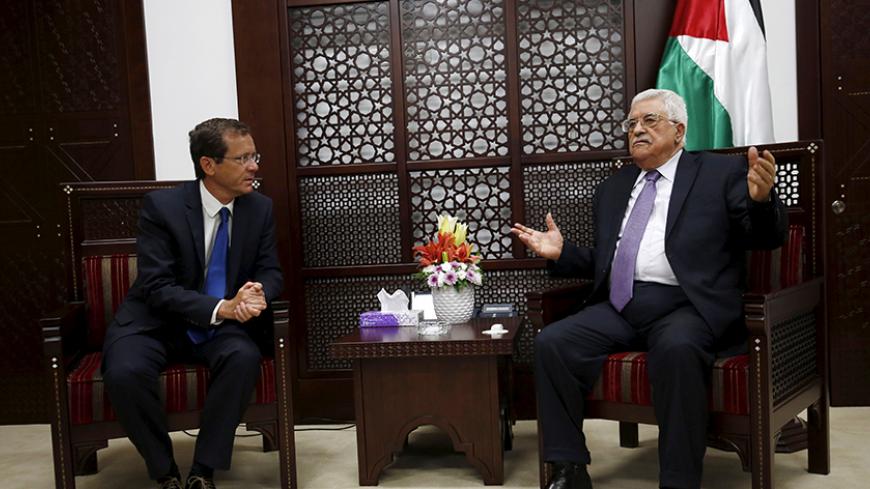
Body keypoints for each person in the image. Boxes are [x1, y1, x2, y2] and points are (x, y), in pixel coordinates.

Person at [512, 89, 786, 489]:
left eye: (649, 121)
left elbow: (763, 238)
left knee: (676, 349)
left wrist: (762, 202)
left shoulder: (718, 174)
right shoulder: (613, 188)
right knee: (554, 342)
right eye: (631, 124)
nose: (636, 129)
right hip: (623, 303)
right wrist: (563, 253)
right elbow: (609, 263)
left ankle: (678, 480)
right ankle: (568, 467)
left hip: (688, 305)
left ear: (679, 130)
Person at [101, 118, 283, 489]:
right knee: (123, 372)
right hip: (155, 321)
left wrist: (255, 291)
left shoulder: (259, 208)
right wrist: (223, 308)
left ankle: (203, 471)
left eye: (254, 155)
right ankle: (164, 471)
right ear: (209, 165)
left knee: (243, 356)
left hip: (219, 327)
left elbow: (271, 270)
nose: (254, 166)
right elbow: (156, 286)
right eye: (243, 158)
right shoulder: (162, 207)